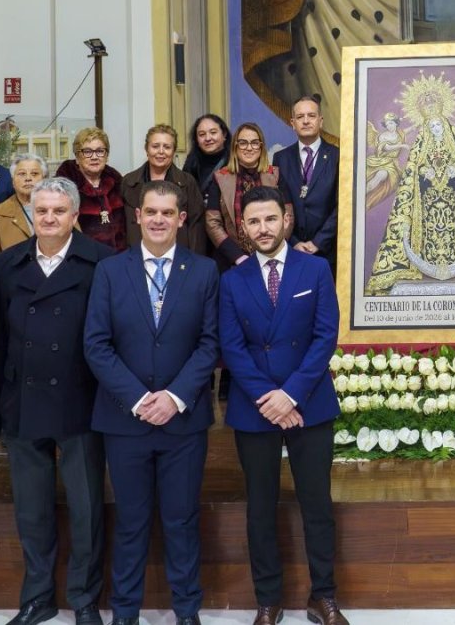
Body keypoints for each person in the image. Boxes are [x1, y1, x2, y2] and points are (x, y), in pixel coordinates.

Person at [84, 179, 220, 625]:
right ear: (137, 217)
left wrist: (175, 398)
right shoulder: (109, 271)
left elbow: (209, 344)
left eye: (168, 213)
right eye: (150, 212)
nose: (158, 219)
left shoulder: (203, 272)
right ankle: (124, 612)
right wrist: (141, 399)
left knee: (182, 521)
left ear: (182, 220)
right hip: (126, 422)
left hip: (184, 423)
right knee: (131, 521)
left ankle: (187, 611)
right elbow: (97, 345)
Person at [219, 186, 347, 625]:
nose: (263, 228)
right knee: (260, 506)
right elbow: (232, 348)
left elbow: (324, 336)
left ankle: (323, 596)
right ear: (243, 227)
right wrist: (269, 399)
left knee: (317, 504)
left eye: (270, 219)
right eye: (253, 221)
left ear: (286, 219)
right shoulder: (231, 280)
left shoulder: (315, 269)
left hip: (308, 403)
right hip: (254, 406)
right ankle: (267, 600)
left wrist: (290, 395)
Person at [0, 177, 114, 625]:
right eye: (41, 210)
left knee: (85, 508)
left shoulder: (102, 262)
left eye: (58, 211)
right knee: (32, 508)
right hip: (22, 399)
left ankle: (84, 599)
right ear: (31, 214)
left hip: (80, 397)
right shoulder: (7, 264)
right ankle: (37, 597)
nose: (48, 218)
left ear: (74, 215)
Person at [365, 114, 455, 295]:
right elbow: (413, 172)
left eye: (438, 125)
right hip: (426, 206)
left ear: (445, 126)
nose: (436, 128)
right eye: (432, 126)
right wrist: (424, 171)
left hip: (454, 204)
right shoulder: (421, 149)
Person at [205, 122, 295, 271]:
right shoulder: (220, 177)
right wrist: (237, 256)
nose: (249, 148)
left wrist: (273, 250)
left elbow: (288, 217)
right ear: (235, 147)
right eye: (243, 143)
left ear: (261, 147)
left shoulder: (275, 175)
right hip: (233, 262)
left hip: (272, 259)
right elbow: (212, 223)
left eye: (254, 143)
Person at [274, 96, 341, 273]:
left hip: (328, 253)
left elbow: (342, 206)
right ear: (292, 123)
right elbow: (278, 205)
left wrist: (318, 242)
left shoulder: (338, 157)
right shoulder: (280, 158)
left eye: (311, 115)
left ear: (320, 121)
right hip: (291, 251)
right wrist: (293, 241)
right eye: (300, 116)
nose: (305, 121)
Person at [122, 124, 206, 254]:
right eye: (155, 146)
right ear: (146, 149)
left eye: (167, 147)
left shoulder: (187, 183)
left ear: (174, 151)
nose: (161, 151)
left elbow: (197, 228)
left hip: (179, 256)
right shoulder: (129, 182)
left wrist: (193, 262)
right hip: (137, 257)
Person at [56, 127, 128, 251]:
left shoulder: (117, 183)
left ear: (107, 155)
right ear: (77, 157)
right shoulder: (63, 188)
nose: (94, 157)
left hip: (117, 258)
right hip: (82, 259)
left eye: (100, 151)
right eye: (87, 151)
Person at [0, 153, 46, 253]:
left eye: (34, 174)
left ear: (44, 179)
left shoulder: (61, 209)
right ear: (13, 182)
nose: (28, 178)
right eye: (22, 174)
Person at [182, 113, 232, 194]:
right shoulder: (191, 162)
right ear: (197, 139)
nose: (208, 138)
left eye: (213, 132)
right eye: (202, 134)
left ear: (224, 134)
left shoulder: (234, 161)